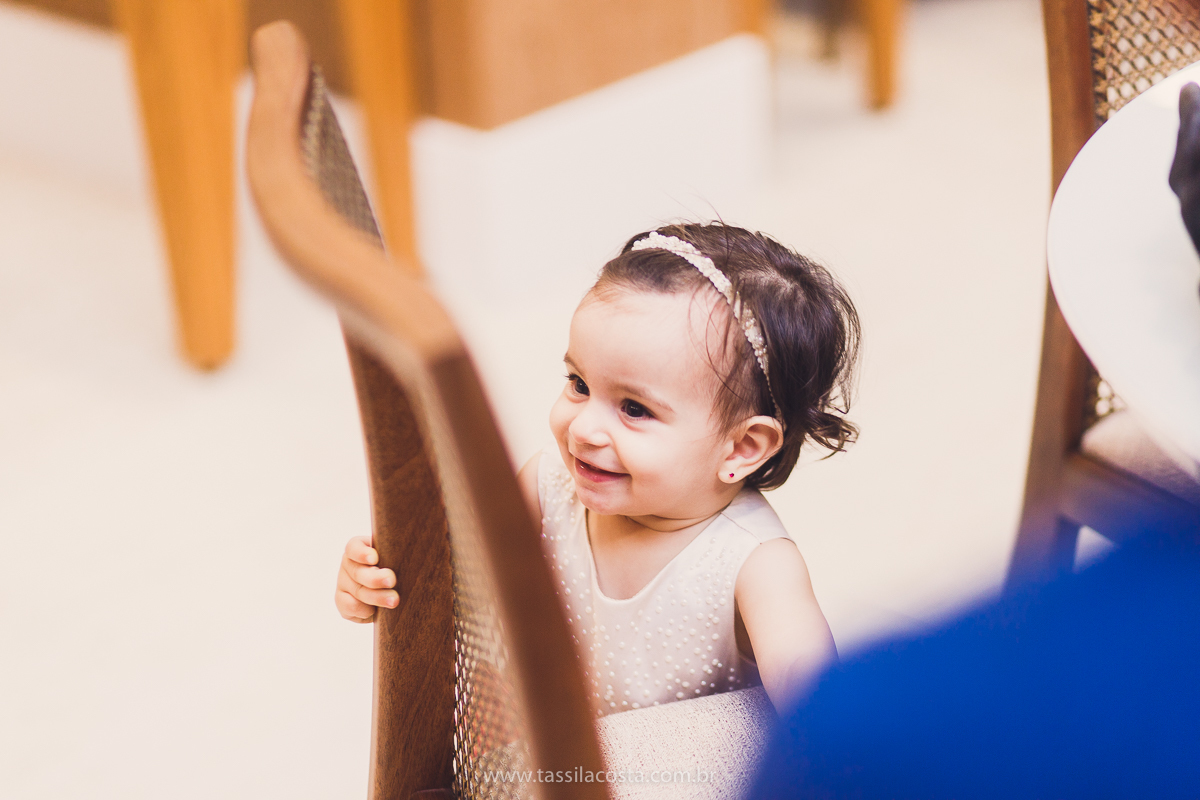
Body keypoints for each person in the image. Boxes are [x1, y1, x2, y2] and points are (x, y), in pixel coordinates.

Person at [333, 221, 860, 715]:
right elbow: (447, 589)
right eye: (579, 384)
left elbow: (822, 710)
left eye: (634, 408)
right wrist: (379, 584)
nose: (583, 428)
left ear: (742, 448)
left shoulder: (756, 563)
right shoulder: (544, 490)